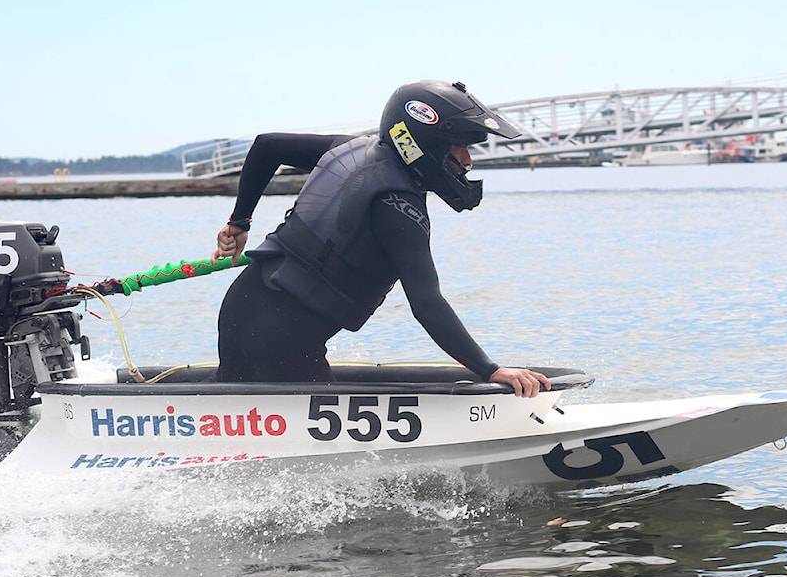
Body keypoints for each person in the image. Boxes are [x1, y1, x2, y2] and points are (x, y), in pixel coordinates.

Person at [212, 80, 551, 397]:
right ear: (426, 144)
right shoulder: (398, 207)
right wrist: (490, 370)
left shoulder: (351, 149)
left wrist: (239, 223)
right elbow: (428, 305)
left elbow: (267, 147)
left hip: (243, 305)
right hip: (282, 335)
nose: (467, 160)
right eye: (459, 146)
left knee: (237, 408)